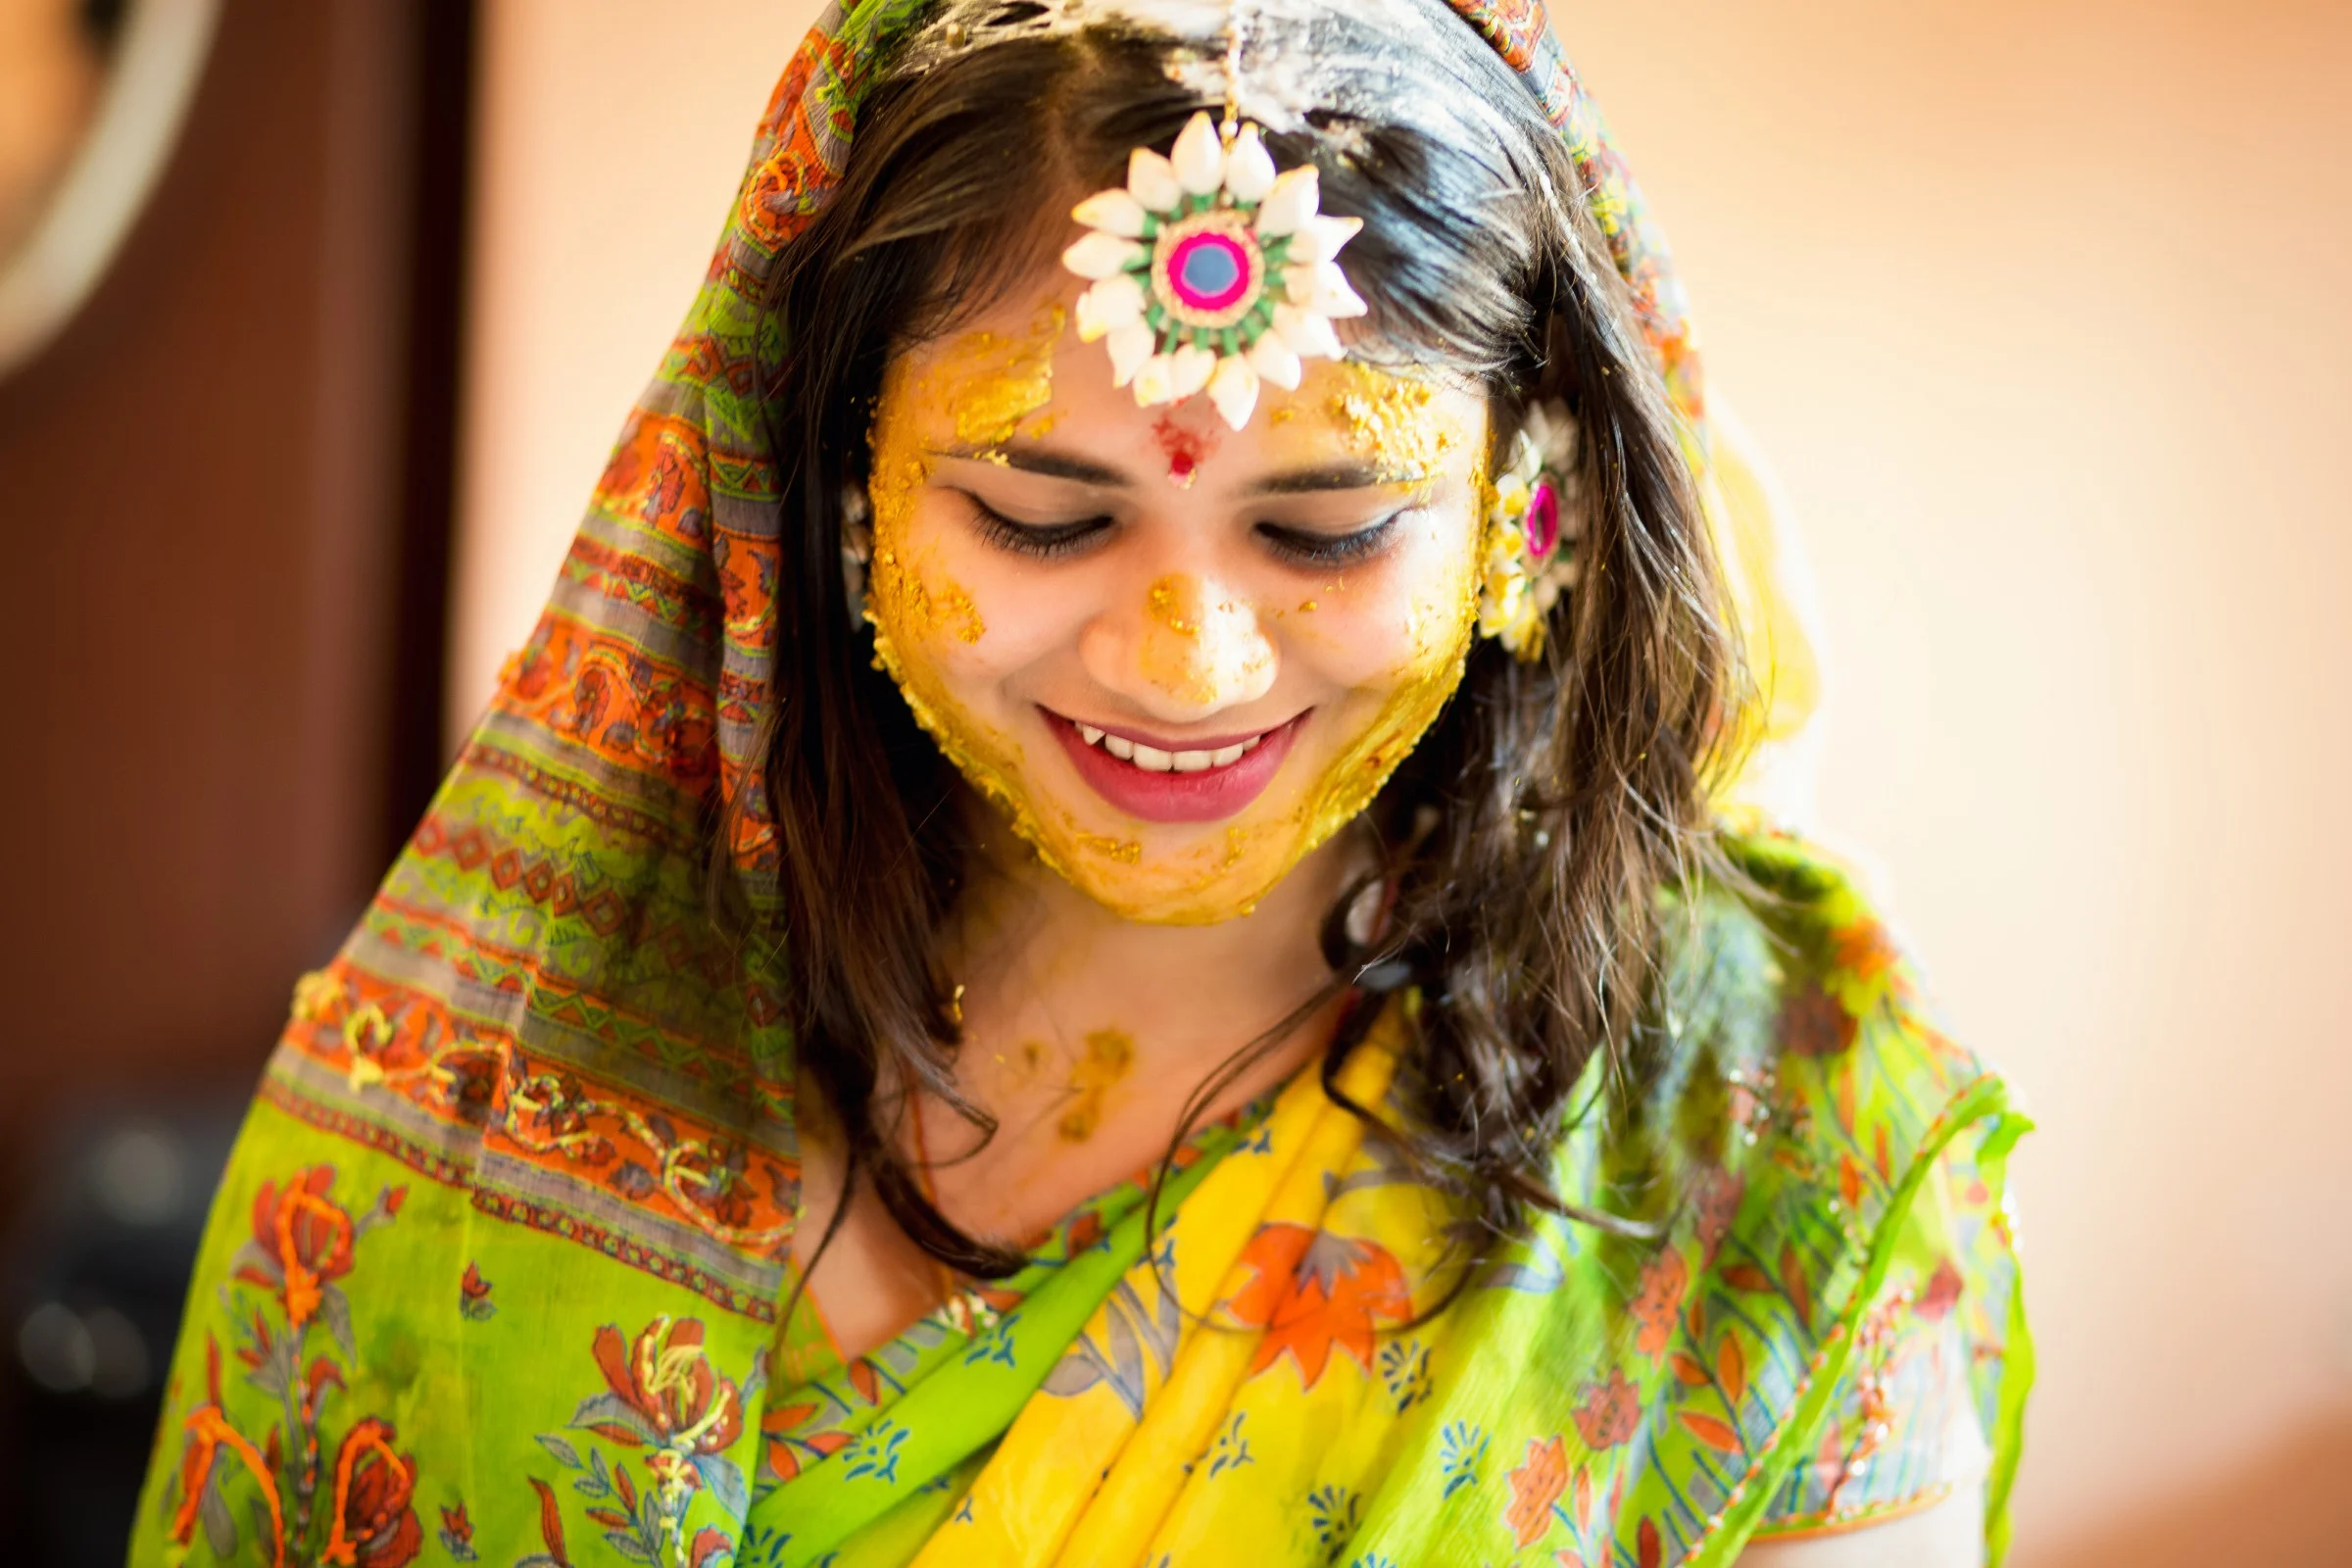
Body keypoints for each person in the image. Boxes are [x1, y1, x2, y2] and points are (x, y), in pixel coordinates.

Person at [129, 3, 2032, 1564]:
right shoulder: (516, 1068)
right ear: (842, 487)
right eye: (1044, 514)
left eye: (1326, 525)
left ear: (1525, 508)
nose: (1183, 663)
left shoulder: (1768, 1124)